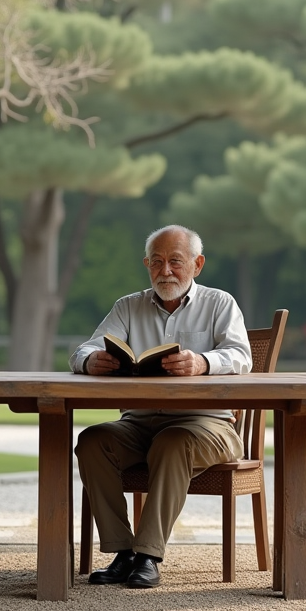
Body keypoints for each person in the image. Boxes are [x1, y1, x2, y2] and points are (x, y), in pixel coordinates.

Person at [70, 224, 252, 588]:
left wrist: (202, 362)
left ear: (197, 265)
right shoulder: (128, 306)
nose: (165, 271)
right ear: (146, 265)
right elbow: (83, 350)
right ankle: (123, 554)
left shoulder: (220, 303)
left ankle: (149, 555)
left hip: (209, 426)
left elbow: (241, 357)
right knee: (92, 441)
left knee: (173, 442)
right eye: (157, 262)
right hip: (138, 423)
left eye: (175, 261)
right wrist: (92, 362)